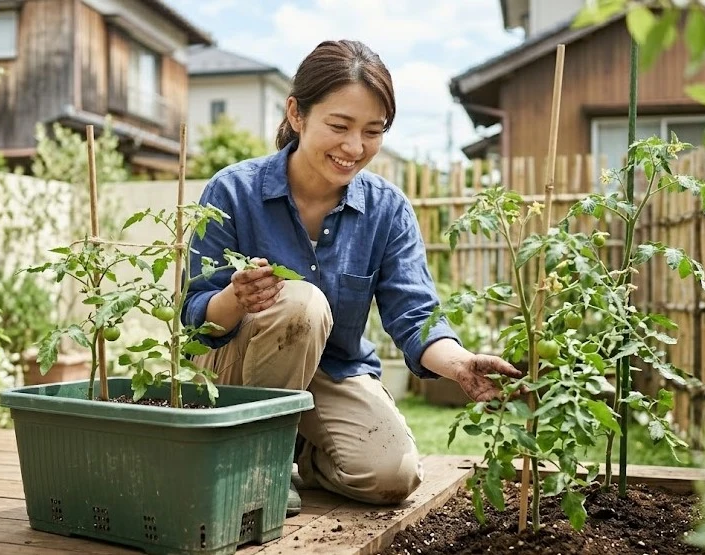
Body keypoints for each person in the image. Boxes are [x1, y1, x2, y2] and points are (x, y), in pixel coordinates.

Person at [181, 39, 522, 517]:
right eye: (339, 126)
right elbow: (196, 318)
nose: (354, 148)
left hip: (332, 369)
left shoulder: (387, 209)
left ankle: (305, 453)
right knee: (302, 303)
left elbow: (414, 313)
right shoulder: (233, 191)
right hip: (236, 369)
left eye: (372, 131)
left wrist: (461, 364)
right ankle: (259, 465)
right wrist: (236, 298)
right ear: (297, 114)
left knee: (392, 476)